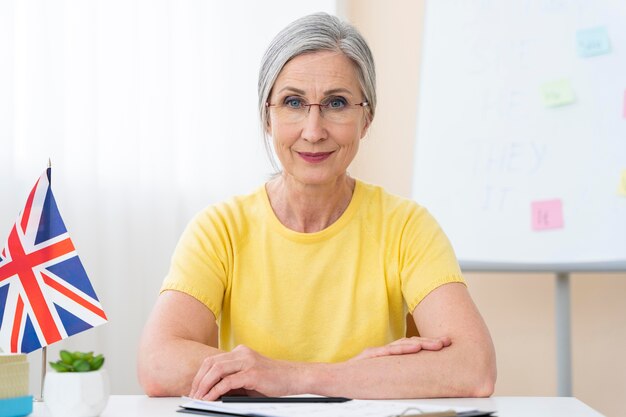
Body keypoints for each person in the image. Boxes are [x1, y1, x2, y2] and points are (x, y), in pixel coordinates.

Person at [137, 12, 496, 400]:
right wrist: (359, 376)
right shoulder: (219, 229)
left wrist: (294, 377)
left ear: (367, 118)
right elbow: (159, 364)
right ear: (267, 117)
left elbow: (474, 368)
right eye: (293, 102)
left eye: (336, 103)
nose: (313, 131)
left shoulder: (408, 227)